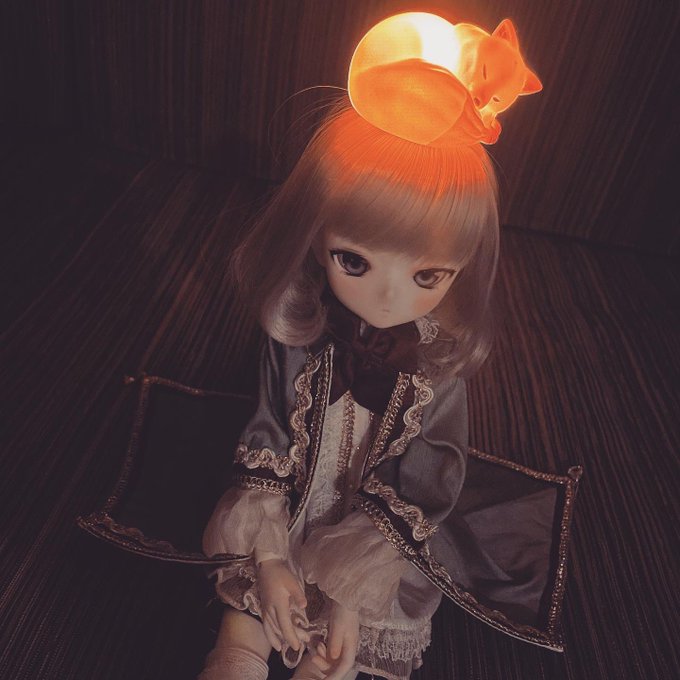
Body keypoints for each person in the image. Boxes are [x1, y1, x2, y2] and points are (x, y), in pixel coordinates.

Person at [198, 13, 570, 680]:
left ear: (463, 269)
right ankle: (238, 650)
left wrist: (348, 594)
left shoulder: (436, 362)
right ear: (313, 236)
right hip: (295, 503)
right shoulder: (298, 327)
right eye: (355, 261)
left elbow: (428, 471)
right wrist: (273, 559)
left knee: (355, 633)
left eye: (428, 276)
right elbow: (269, 431)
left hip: (374, 527)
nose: (390, 300)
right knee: (248, 598)